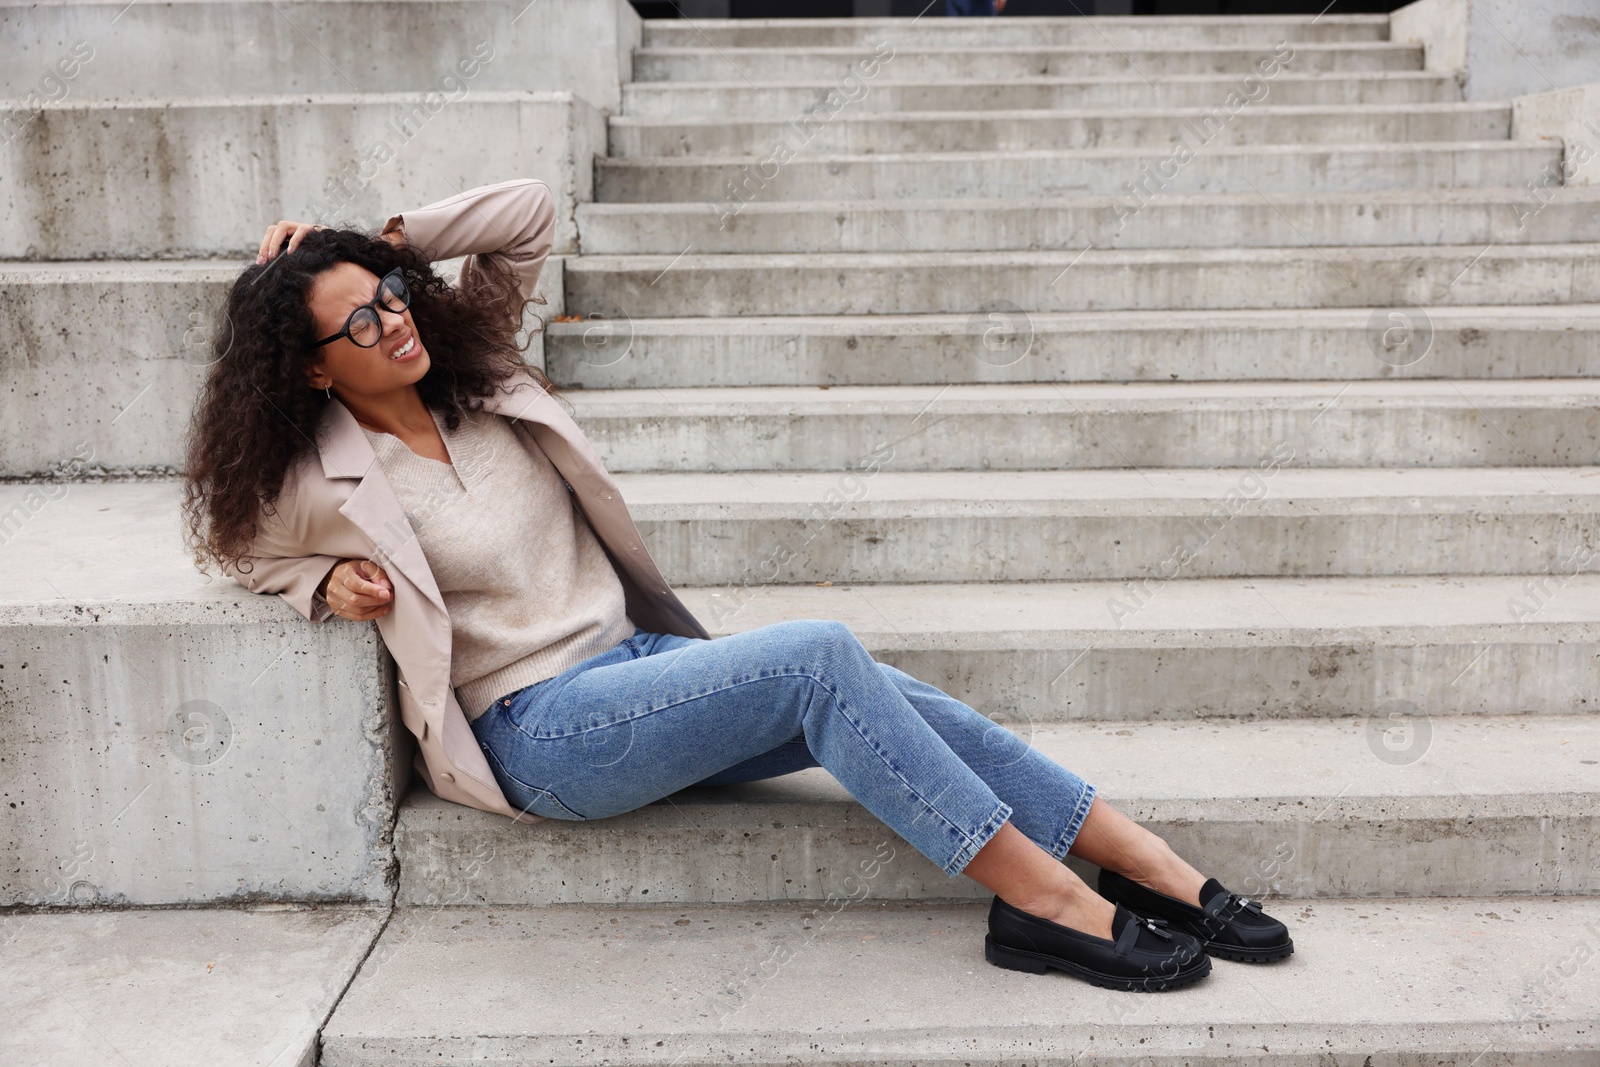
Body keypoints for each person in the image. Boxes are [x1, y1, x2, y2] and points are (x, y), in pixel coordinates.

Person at [180, 177, 1291, 992]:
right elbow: (233, 545)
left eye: (391, 294)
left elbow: (523, 212)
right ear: (316, 365)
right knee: (818, 655)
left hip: (642, 669)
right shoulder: (319, 469)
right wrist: (325, 582)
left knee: (892, 691)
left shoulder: (476, 372)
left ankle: (1151, 868)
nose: (394, 318)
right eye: (361, 319)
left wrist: (383, 237)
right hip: (540, 730)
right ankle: (1050, 904)